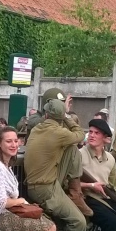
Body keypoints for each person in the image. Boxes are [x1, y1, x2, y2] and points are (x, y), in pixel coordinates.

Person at [25, 98, 87, 231]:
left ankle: (75, 191)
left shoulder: (37, 129)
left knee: (71, 148)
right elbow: (80, 134)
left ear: (45, 115)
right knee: (79, 222)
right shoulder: (59, 132)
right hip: (46, 189)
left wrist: (61, 117)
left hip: (42, 184)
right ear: (61, 118)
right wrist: (67, 117)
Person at [25, 88, 92, 216]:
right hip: (41, 174)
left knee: (73, 149)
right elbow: (35, 123)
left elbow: (75, 136)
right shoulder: (36, 118)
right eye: (59, 103)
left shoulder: (60, 121)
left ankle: (75, 193)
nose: (62, 106)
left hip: (53, 169)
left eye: (63, 103)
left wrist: (64, 115)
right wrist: (60, 114)